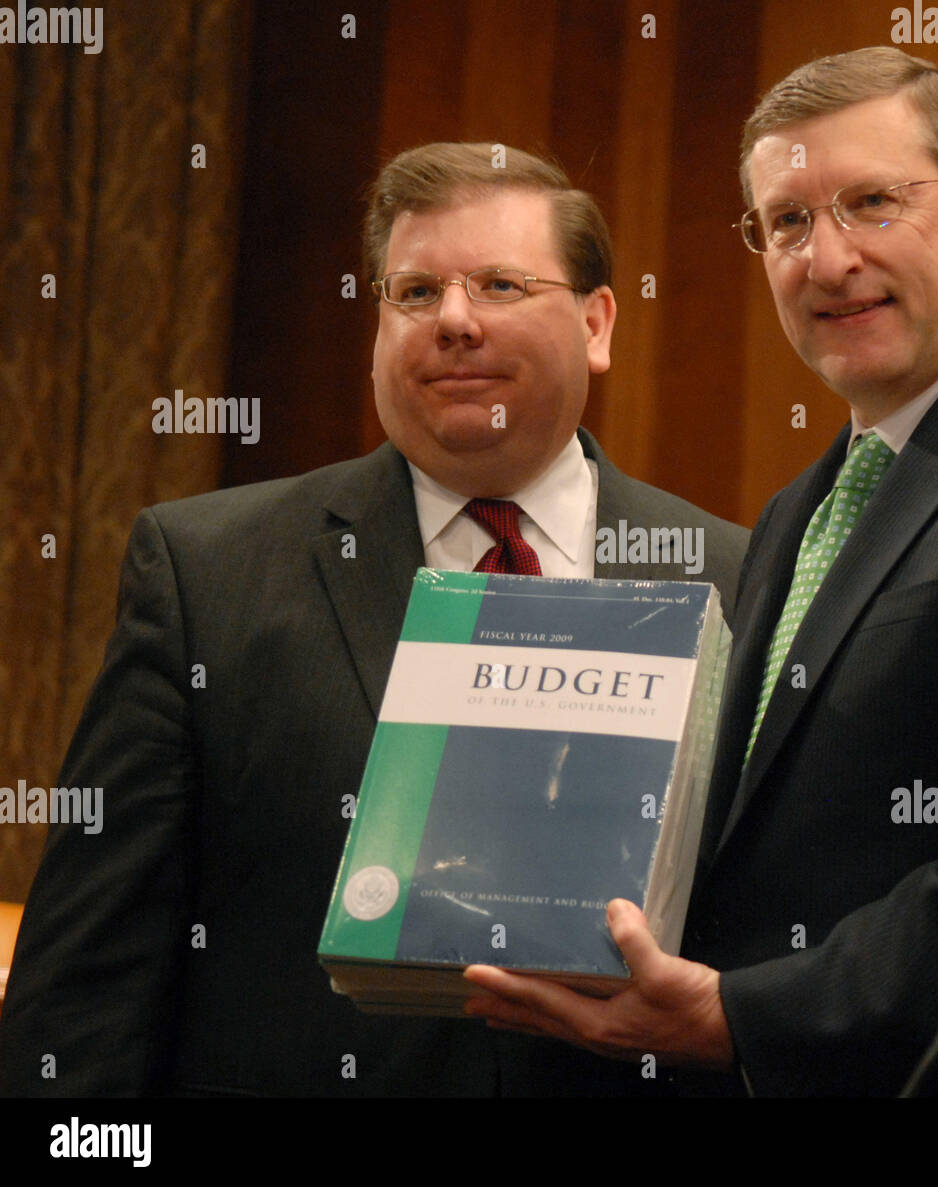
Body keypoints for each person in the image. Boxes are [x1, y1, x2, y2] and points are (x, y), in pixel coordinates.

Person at [462, 48, 938, 1096]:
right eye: (786, 222)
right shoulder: (802, 507)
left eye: (872, 204)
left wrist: (742, 1012)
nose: (825, 260)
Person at [0, 142, 748, 1096]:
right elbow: (86, 982)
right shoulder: (208, 574)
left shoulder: (736, 577)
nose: (455, 322)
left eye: (501, 284)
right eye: (415, 292)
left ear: (599, 322)